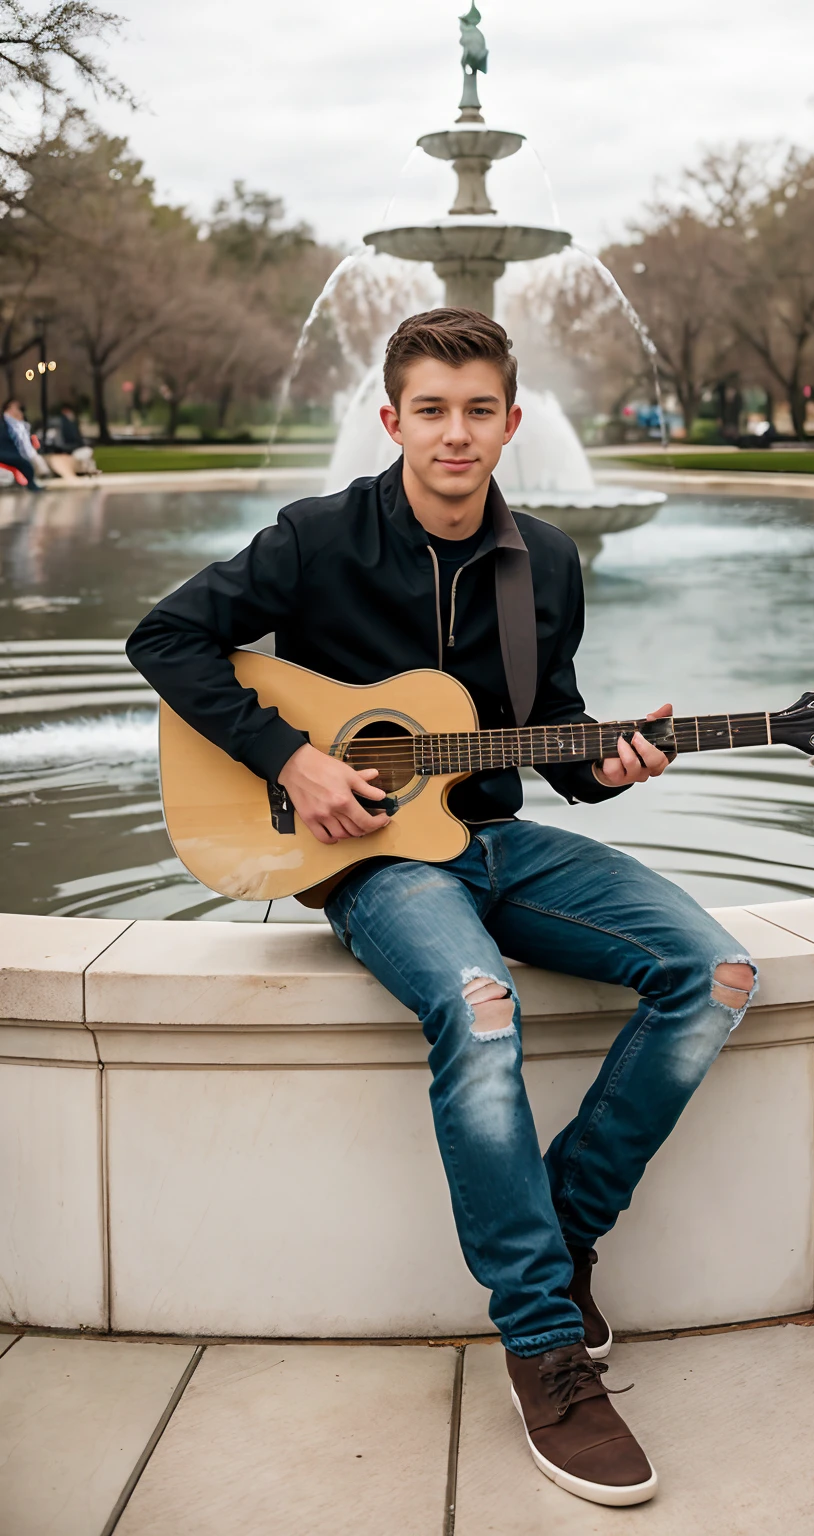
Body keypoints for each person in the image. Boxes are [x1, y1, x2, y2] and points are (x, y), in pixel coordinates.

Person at [126, 309, 757, 1509]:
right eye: (431, 409)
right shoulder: (317, 538)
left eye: (479, 410)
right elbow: (164, 637)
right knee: (480, 1007)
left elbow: (552, 729)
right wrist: (290, 761)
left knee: (716, 972)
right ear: (392, 420)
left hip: (496, 838)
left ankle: (560, 1238)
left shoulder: (548, 563)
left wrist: (607, 764)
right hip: (372, 861)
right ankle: (541, 1345)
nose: (455, 434)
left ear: (512, 423)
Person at [44, 403, 99, 479]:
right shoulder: (64, 424)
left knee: (87, 453)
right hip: (67, 449)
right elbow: (62, 442)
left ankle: (91, 470)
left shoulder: (70, 423)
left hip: (68, 448)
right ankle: (90, 471)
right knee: (86, 451)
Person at [0, 399, 43, 491]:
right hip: (6, 452)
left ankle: (30, 483)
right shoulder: (4, 423)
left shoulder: (22, 423)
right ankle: (30, 484)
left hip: (19, 453)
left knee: (30, 464)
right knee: (24, 464)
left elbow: (26, 440)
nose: (19, 410)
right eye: (16, 407)